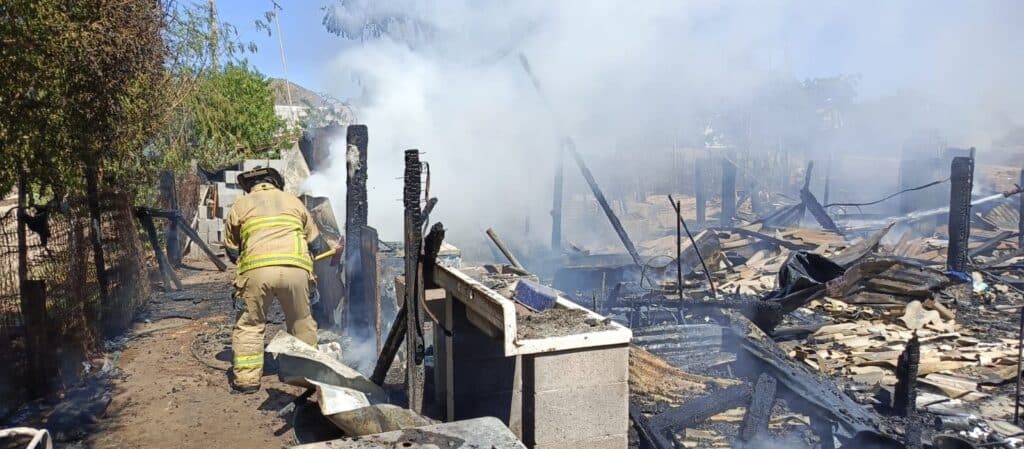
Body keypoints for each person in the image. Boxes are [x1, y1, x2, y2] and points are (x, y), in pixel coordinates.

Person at [223, 167, 325, 393]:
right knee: (301, 322)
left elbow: (231, 250)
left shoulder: (241, 204)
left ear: (251, 186)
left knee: (250, 324)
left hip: (256, 272)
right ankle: (306, 376)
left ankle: (247, 381)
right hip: (296, 272)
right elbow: (316, 243)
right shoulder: (294, 202)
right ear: (275, 182)